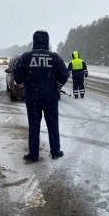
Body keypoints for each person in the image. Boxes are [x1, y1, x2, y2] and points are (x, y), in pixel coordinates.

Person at [13, 30, 69, 162]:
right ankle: (55, 151)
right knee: (53, 125)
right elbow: (64, 74)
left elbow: (17, 75)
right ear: (47, 41)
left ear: (34, 41)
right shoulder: (55, 57)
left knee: (34, 125)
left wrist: (24, 86)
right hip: (50, 97)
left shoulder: (26, 56)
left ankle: (33, 154)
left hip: (32, 97)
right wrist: (57, 86)